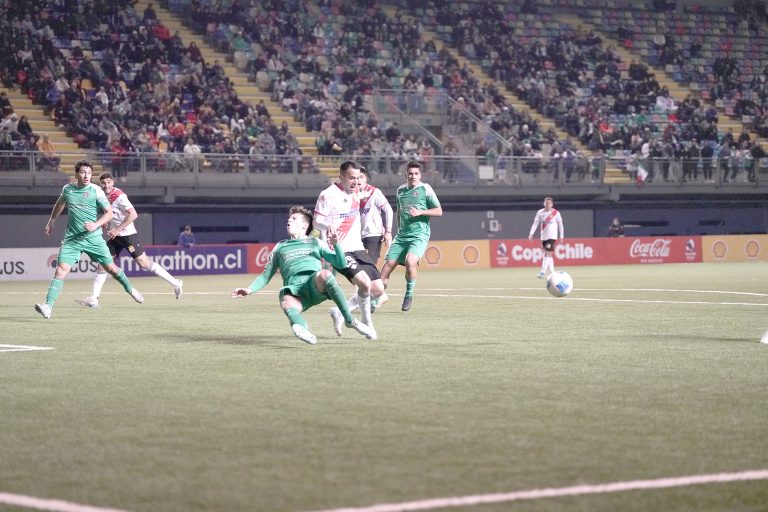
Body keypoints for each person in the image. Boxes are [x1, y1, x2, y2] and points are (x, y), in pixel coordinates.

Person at [231, 206, 375, 345]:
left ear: (304, 226)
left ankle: (349, 320)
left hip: (313, 285)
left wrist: (336, 245)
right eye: (289, 218)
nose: (289, 221)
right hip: (294, 291)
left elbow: (341, 264)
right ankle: (301, 329)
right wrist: (249, 290)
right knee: (286, 303)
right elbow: (265, 276)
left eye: (294, 218)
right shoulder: (280, 246)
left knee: (325, 274)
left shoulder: (315, 242)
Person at [34, 160, 143, 319]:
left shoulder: (96, 190)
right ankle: (48, 306)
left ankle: (131, 290)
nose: (87, 176)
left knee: (111, 269)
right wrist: (51, 221)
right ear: (76, 174)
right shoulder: (68, 189)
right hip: (72, 239)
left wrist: (96, 224)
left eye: (90, 173)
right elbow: (60, 204)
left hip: (93, 238)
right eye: (83, 172)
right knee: (60, 270)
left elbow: (109, 213)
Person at [75, 172, 183, 308]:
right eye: (103, 183)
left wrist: (117, 229)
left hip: (128, 235)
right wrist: (105, 223)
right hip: (115, 237)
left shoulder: (120, 196)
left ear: (113, 182)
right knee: (102, 263)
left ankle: (175, 283)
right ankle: (94, 299)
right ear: (100, 184)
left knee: (143, 263)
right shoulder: (102, 196)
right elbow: (109, 212)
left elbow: (133, 214)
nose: (106, 185)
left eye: (109, 182)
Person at [314, 161, 385, 338]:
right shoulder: (327, 195)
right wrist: (328, 225)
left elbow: (372, 202)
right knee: (365, 284)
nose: (356, 182)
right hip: (339, 250)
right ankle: (367, 324)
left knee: (378, 289)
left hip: (357, 248)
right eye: (351, 178)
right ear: (341, 177)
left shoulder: (356, 193)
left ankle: (339, 312)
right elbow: (316, 221)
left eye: (358, 178)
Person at [379, 160, 443, 312]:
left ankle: (408, 295)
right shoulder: (400, 190)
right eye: (410, 174)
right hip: (402, 236)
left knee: (410, 260)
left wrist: (421, 212)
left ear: (420, 175)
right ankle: (376, 298)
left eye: (416, 173)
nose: (413, 176)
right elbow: (399, 212)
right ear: (405, 175)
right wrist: (396, 230)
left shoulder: (426, 189)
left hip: (419, 234)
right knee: (387, 267)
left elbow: (439, 211)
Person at [528, 196, 564, 279]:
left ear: (552, 204)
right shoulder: (540, 212)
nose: (548, 204)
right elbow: (535, 223)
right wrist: (531, 233)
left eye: (549, 203)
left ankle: (542, 272)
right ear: (544, 203)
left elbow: (560, 225)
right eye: (546, 203)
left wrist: (561, 236)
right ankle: (552, 272)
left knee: (547, 253)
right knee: (549, 254)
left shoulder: (556, 213)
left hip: (552, 237)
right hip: (543, 237)